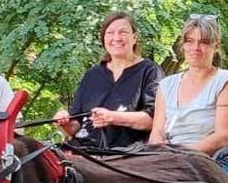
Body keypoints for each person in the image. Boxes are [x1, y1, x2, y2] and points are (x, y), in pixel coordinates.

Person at [148, 13, 228, 173]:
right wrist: (162, 156)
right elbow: (157, 132)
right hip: (166, 160)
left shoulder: (226, 81)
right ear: (183, 44)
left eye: (204, 42)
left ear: (216, 45)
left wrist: (181, 156)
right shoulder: (166, 85)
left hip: (210, 162)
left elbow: (222, 137)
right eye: (189, 41)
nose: (195, 48)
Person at [54, 11, 160, 149]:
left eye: (123, 32)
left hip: (126, 155)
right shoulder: (92, 75)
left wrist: (113, 117)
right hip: (82, 151)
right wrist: (64, 122)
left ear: (134, 38)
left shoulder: (149, 71)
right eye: (110, 33)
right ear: (104, 39)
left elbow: (154, 121)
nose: (116, 38)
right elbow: (75, 126)